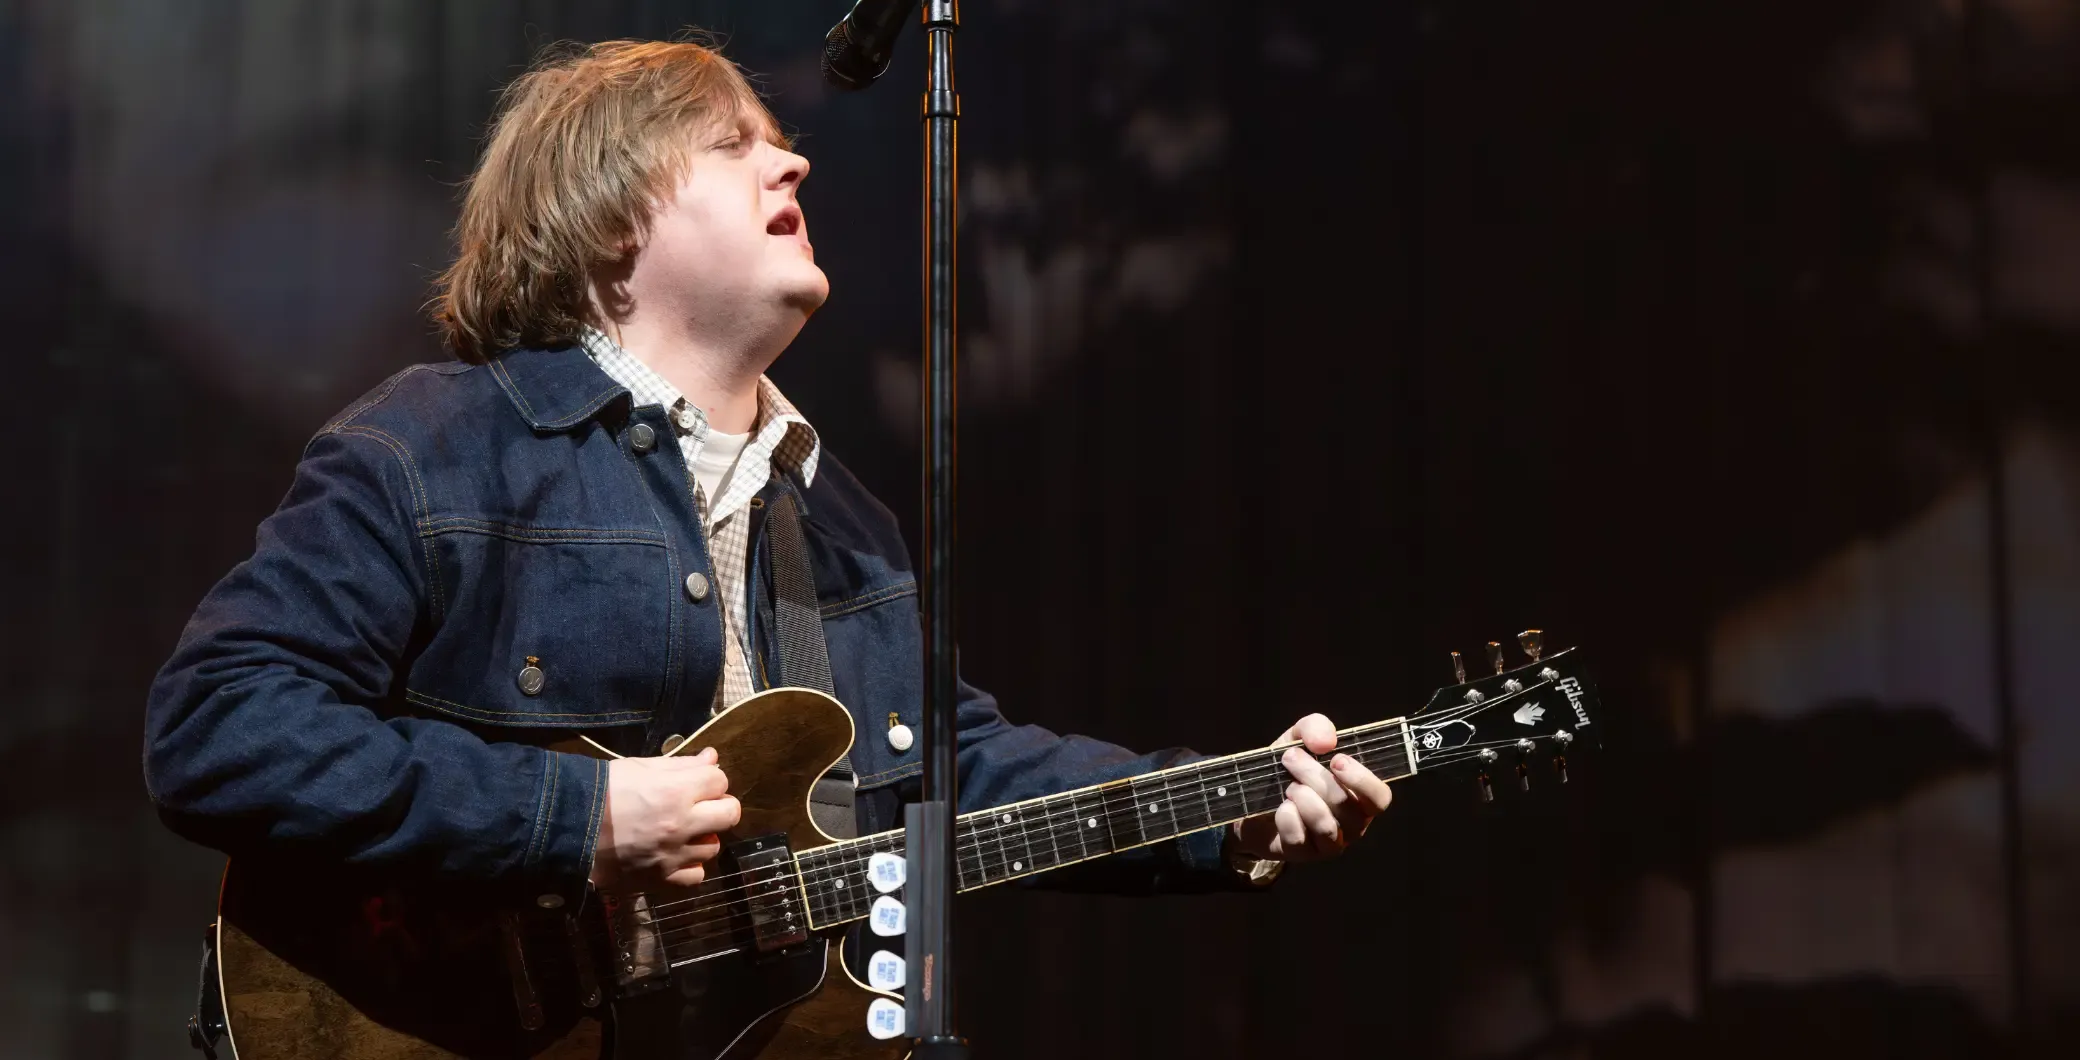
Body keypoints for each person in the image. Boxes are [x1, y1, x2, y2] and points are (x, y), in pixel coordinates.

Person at [142, 37, 1389, 916]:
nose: (791, 168)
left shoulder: (837, 512)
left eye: (784, 148)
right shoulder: (435, 445)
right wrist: (576, 820)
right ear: (611, 214)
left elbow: (960, 776)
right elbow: (219, 730)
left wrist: (1220, 810)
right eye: (736, 145)